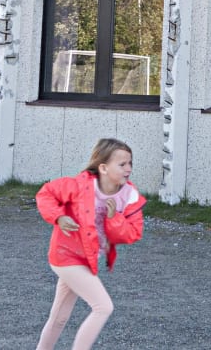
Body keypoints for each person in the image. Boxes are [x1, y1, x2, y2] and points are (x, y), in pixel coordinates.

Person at [35, 138, 146, 350]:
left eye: (130, 163)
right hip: (65, 255)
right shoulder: (78, 185)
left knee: (59, 318)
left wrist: (113, 218)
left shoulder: (129, 195)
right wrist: (58, 217)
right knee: (103, 307)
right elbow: (46, 193)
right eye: (122, 164)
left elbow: (133, 233)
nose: (128, 169)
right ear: (103, 168)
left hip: (86, 259)